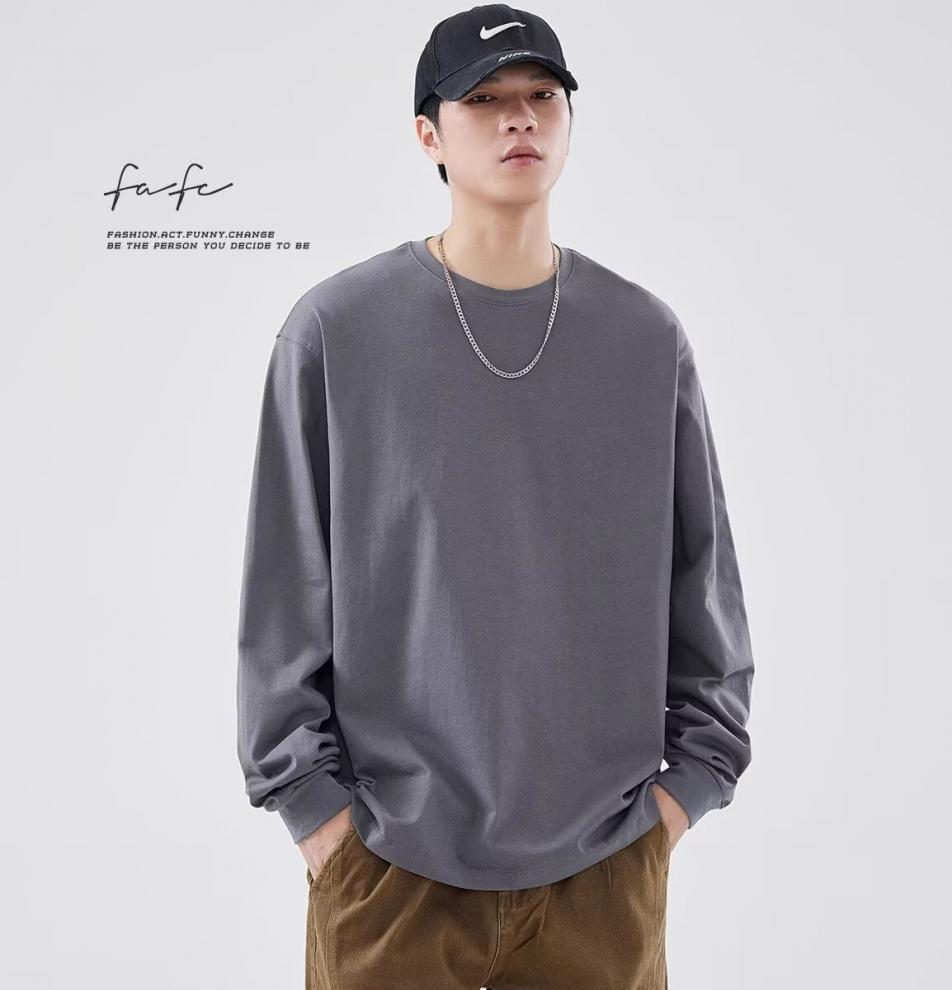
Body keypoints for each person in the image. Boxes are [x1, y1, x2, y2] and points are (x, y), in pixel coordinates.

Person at [236, 5, 755, 988]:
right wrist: (317, 814)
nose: (520, 117)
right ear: (428, 134)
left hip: (605, 864)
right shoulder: (339, 330)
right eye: (484, 99)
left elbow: (705, 583)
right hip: (388, 865)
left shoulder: (643, 339)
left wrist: (682, 795)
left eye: (542, 95)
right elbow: (284, 588)